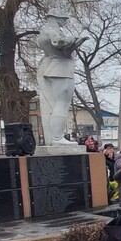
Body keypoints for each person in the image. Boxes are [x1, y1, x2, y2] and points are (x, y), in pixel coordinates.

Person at [37, 8, 87, 146]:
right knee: (62, 104)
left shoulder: (46, 31)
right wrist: (73, 40)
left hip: (57, 66)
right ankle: (57, 138)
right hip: (59, 68)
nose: (65, 21)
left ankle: (56, 138)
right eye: (63, 18)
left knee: (59, 104)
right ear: (54, 17)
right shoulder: (51, 30)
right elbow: (59, 42)